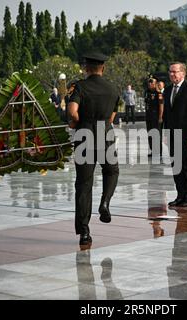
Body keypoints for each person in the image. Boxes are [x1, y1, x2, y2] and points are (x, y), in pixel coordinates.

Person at [68, 52, 120, 246]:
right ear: (103, 69)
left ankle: (84, 231)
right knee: (112, 170)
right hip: (105, 133)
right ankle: (105, 201)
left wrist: (76, 123)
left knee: (83, 184)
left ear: (86, 69)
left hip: (84, 135)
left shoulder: (81, 86)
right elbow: (112, 118)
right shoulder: (113, 89)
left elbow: (73, 112)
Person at [163, 62, 187, 207]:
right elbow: (167, 114)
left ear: (183, 73)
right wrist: (166, 133)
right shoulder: (167, 91)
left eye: (175, 71)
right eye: (170, 71)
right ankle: (181, 194)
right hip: (173, 134)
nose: (172, 74)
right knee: (177, 166)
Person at [144, 77, 164, 157]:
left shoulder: (159, 93)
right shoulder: (147, 92)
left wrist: (160, 117)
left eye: (152, 83)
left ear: (155, 84)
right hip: (149, 116)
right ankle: (153, 150)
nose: (150, 84)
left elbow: (161, 105)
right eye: (149, 82)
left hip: (156, 116)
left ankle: (158, 151)